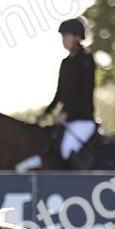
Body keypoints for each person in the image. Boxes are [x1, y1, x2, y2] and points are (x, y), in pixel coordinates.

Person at [35, 18, 97, 166]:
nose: (63, 40)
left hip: (83, 121)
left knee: (67, 148)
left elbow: (85, 94)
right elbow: (59, 94)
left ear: (77, 37)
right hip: (67, 121)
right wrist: (46, 113)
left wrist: (66, 114)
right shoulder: (66, 63)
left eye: (65, 36)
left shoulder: (86, 60)